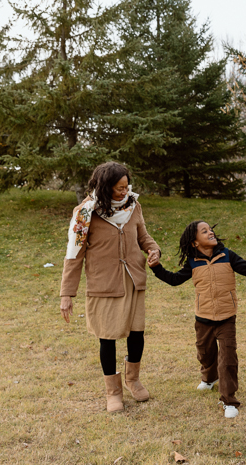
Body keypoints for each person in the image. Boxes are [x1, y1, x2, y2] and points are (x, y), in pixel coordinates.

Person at [147, 221, 246, 419]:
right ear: (194, 242)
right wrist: (156, 267)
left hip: (226, 316)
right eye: (204, 231)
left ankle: (228, 400)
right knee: (205, 352)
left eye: (211, 229)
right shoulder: (192, 262)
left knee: (227, 358)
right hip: (203, 317)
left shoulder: (227, 256)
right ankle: (209, 379)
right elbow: (174, 280)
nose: (211, 232)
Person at [60, 162, 161, 412]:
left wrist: (153, 249)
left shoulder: (133, 207)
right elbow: (74, 254)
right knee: (107, 338)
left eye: (126, 187)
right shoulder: (85, 213)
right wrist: (66, 294)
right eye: (119, 188)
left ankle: (133, 381)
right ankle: (113, 392)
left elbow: (143, 236)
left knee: (137, 333)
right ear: (104, 186)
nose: (124, 192)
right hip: (103, 284)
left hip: (133, 280)